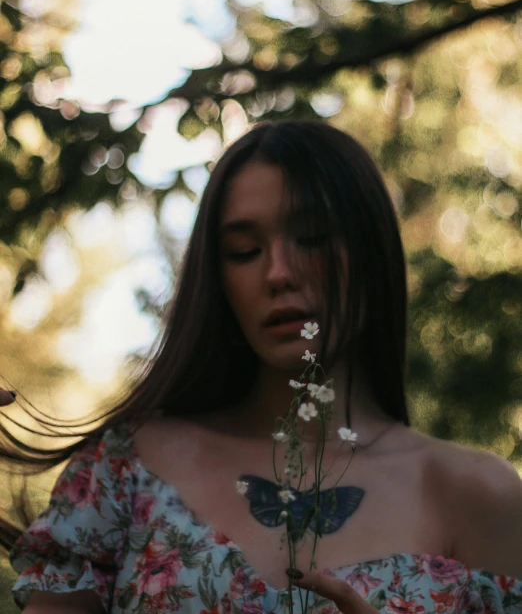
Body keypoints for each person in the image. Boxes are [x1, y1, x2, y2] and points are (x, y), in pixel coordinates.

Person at [5, 119, 522, 614]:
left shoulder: (477, 496)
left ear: (371, 249)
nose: (277, 273)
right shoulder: (126, 468)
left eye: (314, 238)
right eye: (244, 251)